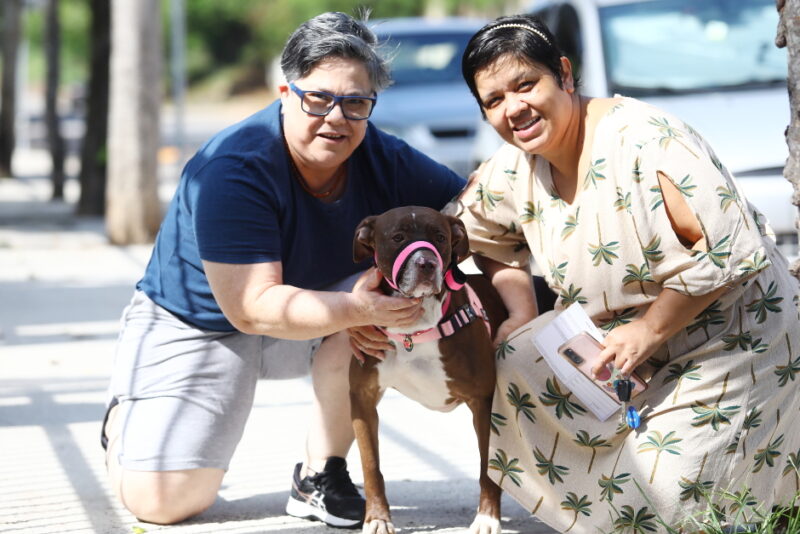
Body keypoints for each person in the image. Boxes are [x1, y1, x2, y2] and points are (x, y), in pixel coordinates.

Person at [100, 11, 465, 528]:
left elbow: (472, 204)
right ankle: (126, 422)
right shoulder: (232, 166)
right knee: (164, 503)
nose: (336, 117)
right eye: (319, 98)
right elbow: (252, 307)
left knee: (365, 309)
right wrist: (355, 307)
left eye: (356, 103)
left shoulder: (379, 151)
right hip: (203, 325)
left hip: (317, 316)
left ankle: (321, 475)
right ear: (285, 92)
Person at [453, 14, 800, 533]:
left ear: (564, 75)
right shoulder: (513, 168)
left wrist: (649, 328)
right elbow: (471, 232)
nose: (514, 108)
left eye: (526, 85)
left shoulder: (648, 141)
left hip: (733, 341)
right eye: (495, 101)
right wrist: (522, 310)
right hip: (622, 355)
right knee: (519, 354)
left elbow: (727, 252)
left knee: (658, 488)